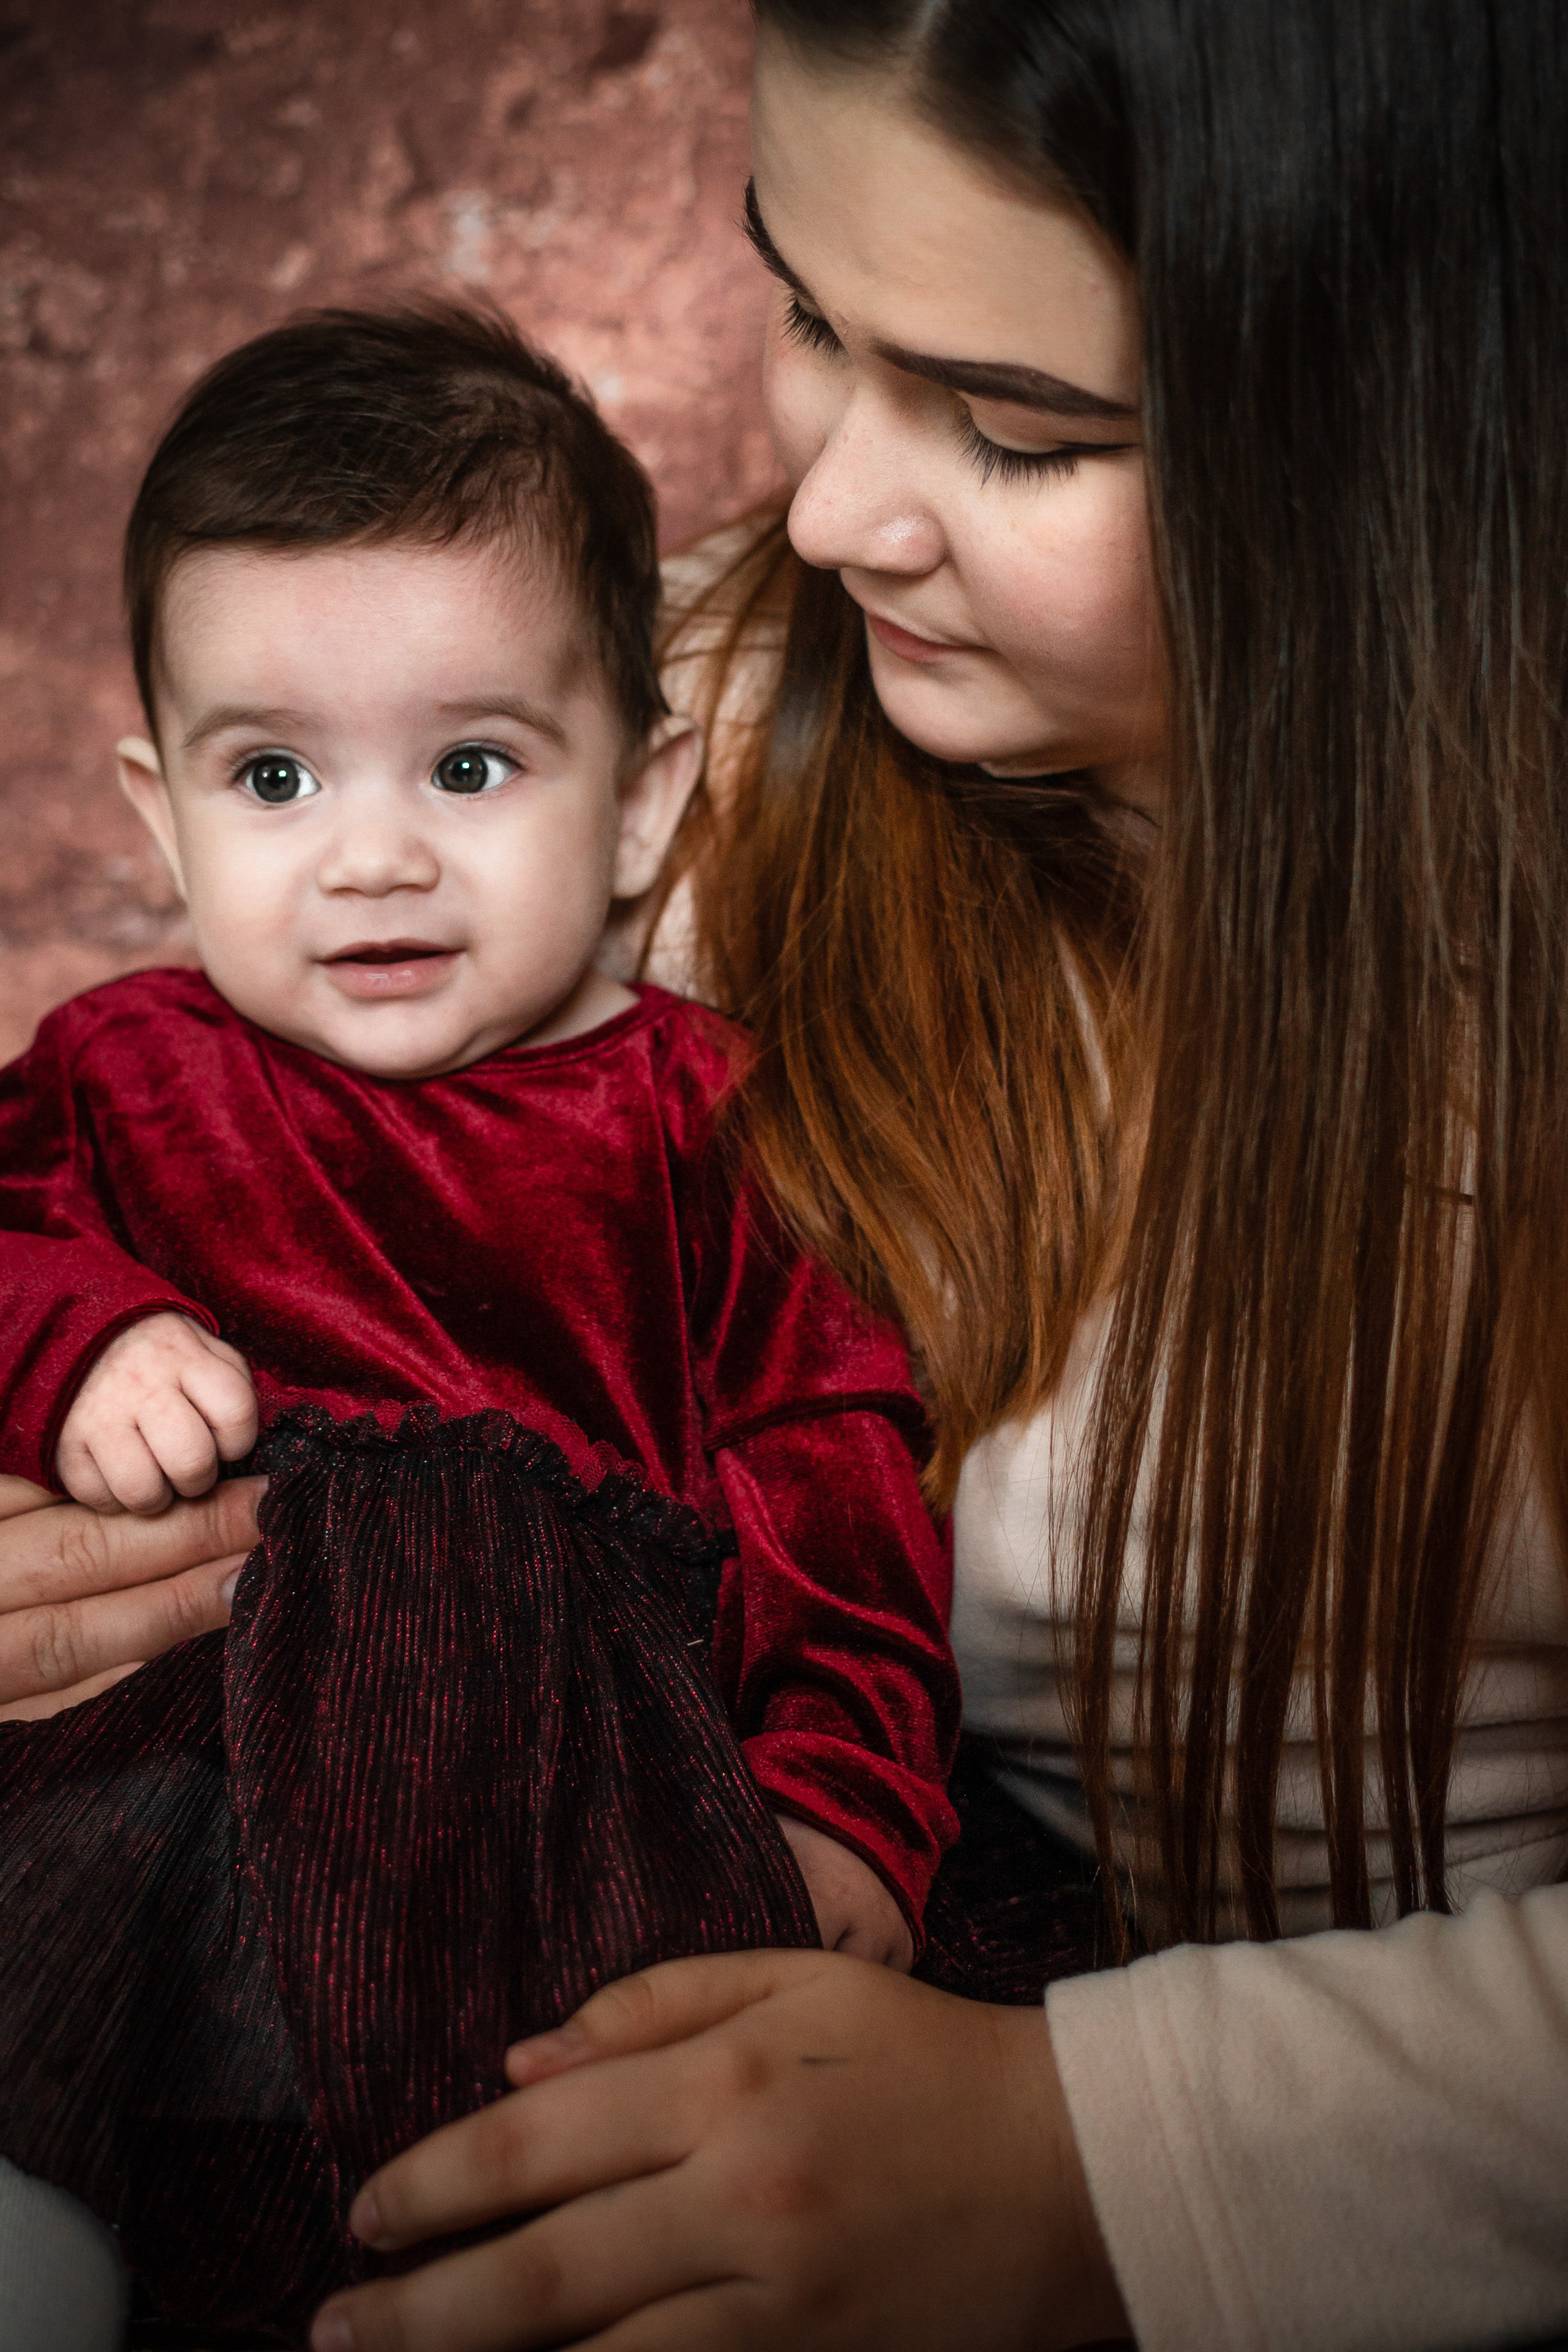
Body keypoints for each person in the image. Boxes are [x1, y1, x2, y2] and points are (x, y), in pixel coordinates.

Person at [279, 2, 1565, 2348]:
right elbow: (255, 1198)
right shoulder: (663, 746)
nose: (838, 510)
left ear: (1426, 414)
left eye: (1017, 428)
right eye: (800, 310)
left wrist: (1095, 2163)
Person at [0, 300, 963, 2339]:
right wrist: (75, 1337)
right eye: (271, 774)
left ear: (637, 803)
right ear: (159, 815)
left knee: (580, 2184)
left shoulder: (715, 1118)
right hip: (179, 1758)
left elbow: (830, 1456)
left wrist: (843, 1789)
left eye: (469, 762)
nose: (373, 854)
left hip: (575, 1772)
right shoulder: (116, 1075)